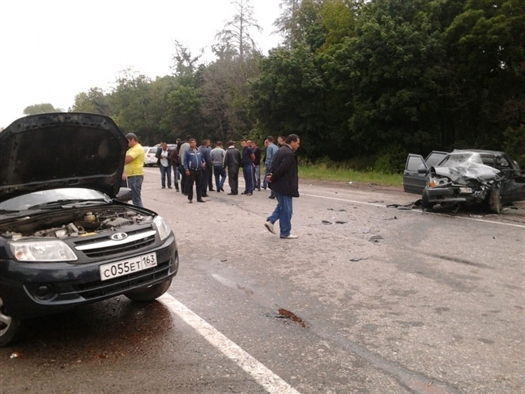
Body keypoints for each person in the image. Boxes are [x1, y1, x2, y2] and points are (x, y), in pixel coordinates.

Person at [264, 134, 301, 239]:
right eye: (297, 143)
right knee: (287, 210)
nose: (298, 146)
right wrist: (273, 177)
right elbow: (282, 168)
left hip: (278, 184)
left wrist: (270, 175)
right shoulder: (289, 153)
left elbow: (273, 164)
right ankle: (285, 232)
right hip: (284, 185)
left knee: (282, 206)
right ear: (292, 142)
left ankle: (271, 221)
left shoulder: (279, 150)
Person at [124, 133, 145, 207]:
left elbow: (127, 160)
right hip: (131, 175)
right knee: (133, 197)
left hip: (136, 175)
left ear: (132, 140)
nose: (127, 144)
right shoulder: (131, 149)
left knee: (136, 198)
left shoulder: (137, 148)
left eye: (128, 141)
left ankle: (141, 214)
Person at [183, 138, 206, 203]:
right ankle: (190, 198)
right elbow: (185, 161)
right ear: (189, 144)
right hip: (191, 169)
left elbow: (202, 158)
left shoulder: (199, 151)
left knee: (199, 184)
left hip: (199, 169)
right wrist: (186, 169)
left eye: (194, 142)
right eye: (192, 142)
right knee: (191, 184)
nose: (193, 144)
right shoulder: (188, 152)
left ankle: (199, 198)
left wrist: (204, 162)